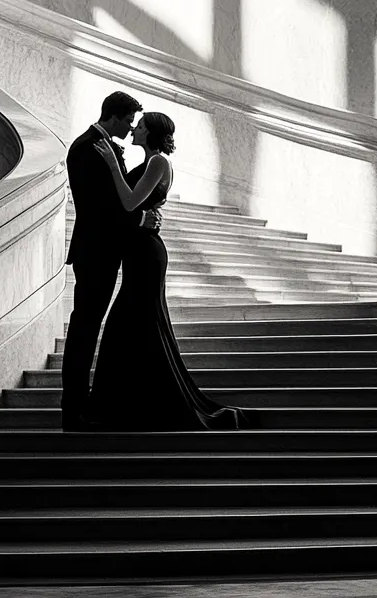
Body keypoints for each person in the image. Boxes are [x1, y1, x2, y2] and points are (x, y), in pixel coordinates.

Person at [88, 111, 256, 430]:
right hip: (138, 251)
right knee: (131, 325)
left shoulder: (158, 162)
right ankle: (127, 405)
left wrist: (112, 165)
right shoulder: (149, 163)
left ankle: (132, 406)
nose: (135, 129)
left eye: (141, 126)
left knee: (131, 322)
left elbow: (129, 202)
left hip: (147, 253)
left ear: (152, 133)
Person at [62, 91, 161, 431]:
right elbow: (98, 207)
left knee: (88, 328)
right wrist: (139, 220)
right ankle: (74, 410)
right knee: (84, 329)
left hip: (104, 252)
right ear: (116, 118)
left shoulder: (101, 146)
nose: (132, 127)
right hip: (94, 252)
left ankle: (82, 405)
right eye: (130, 121)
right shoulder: (87, 147)